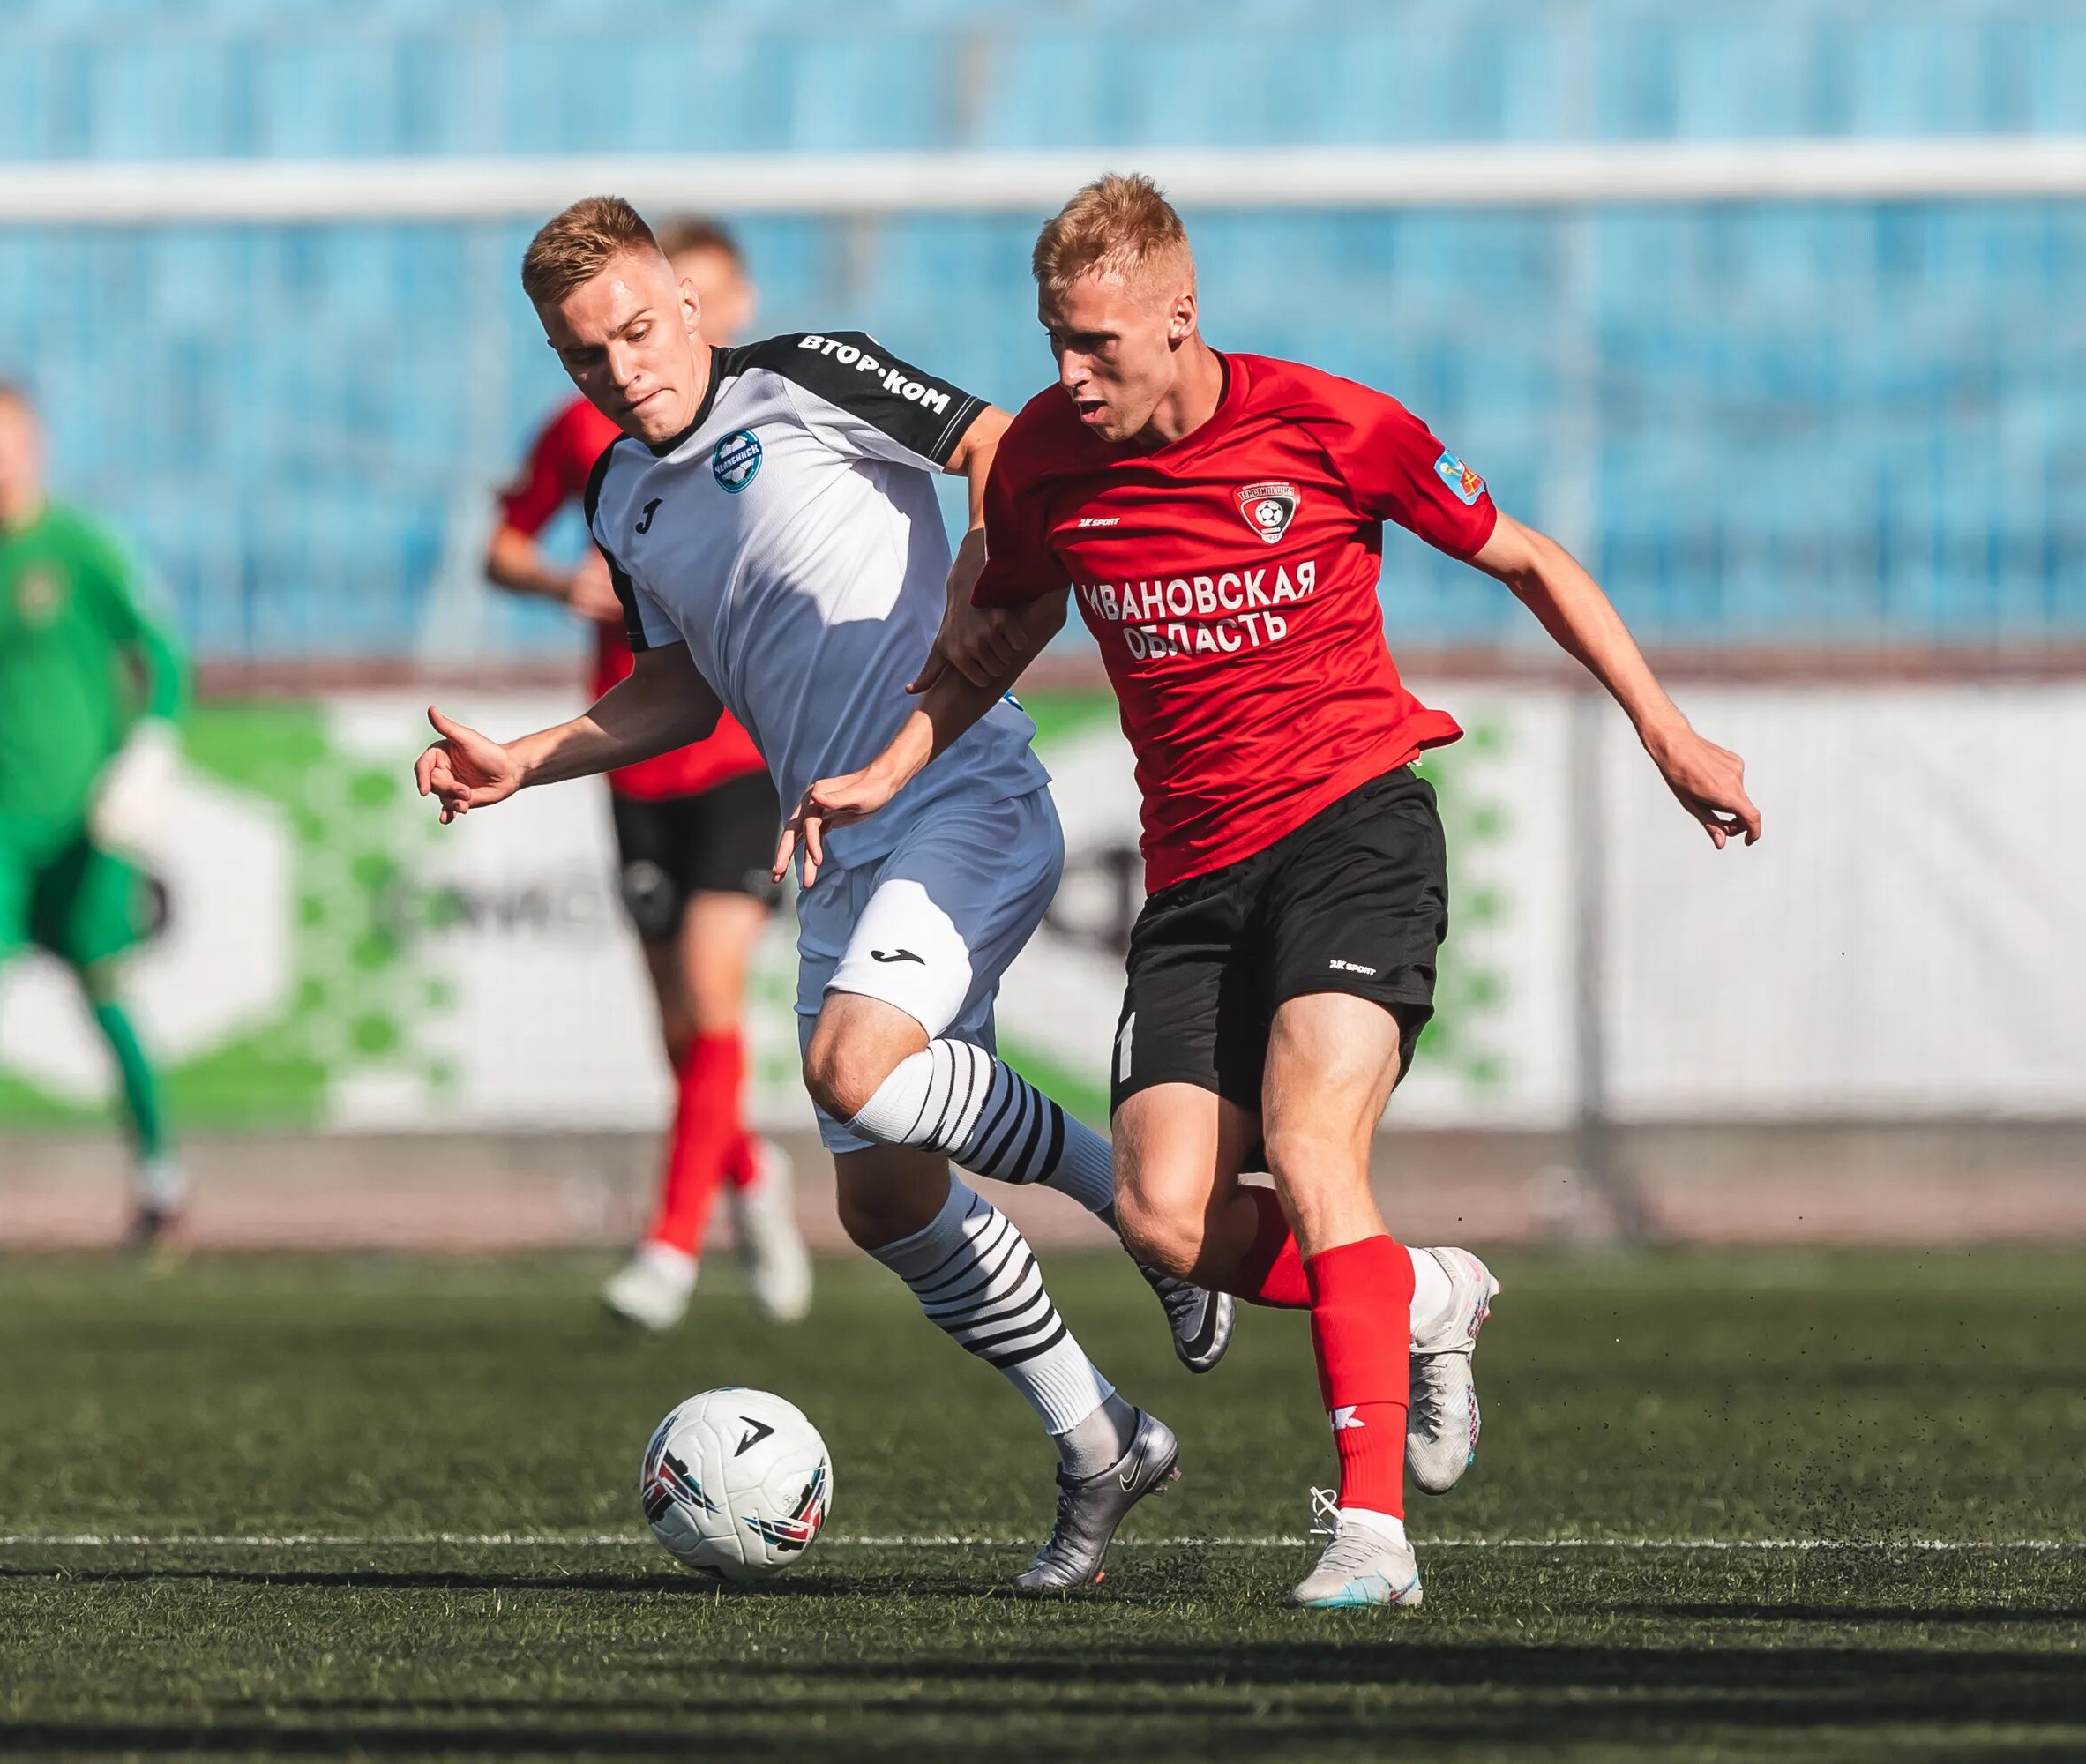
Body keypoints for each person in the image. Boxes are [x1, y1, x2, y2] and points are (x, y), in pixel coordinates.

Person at [781, 176, 1762, 1608]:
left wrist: (1669, 733)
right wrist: (890, 763)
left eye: (1100, 344)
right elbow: (1004, 626)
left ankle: (1372, 1535)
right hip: (1193, 878)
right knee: (1172, 1220)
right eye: (1057, 339)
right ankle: (1422, 1293)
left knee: (1312, 1144)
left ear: (1182, 319)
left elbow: (1529, 558)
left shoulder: (1333, 427)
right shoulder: (1053, 456)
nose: (1070, 374)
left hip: (1353, 834)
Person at [417, 197, 1234, 1593]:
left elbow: (999, 453)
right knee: (886, 1203)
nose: (620, 369)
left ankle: (1153, 1218)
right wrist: (527, 762)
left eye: (633, 329)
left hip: (962, 793)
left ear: (687, 302)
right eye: (582, 356)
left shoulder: (804, 373)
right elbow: (678, 686)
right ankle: (1101, 1440)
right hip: (839, 851)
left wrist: (974, 625)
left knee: (855, 1067)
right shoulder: (624, 496)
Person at [483, 217, 809, 1333]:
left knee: (714, 993)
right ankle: (752, 1179)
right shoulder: (595, 444)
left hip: (743, 754)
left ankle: (668, 1250)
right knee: (679, 1026)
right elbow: (503, 546)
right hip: (636, 758)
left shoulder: (776, 417)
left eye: (707, 300)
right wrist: (559, 586)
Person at [0, 382, 191, 1253]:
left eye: (3, 442)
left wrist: (149, 750)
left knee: (103, 986)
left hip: (84, 817)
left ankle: (161, 1174)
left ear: (32, 444)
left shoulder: (82, 549)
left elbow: (163, 654)